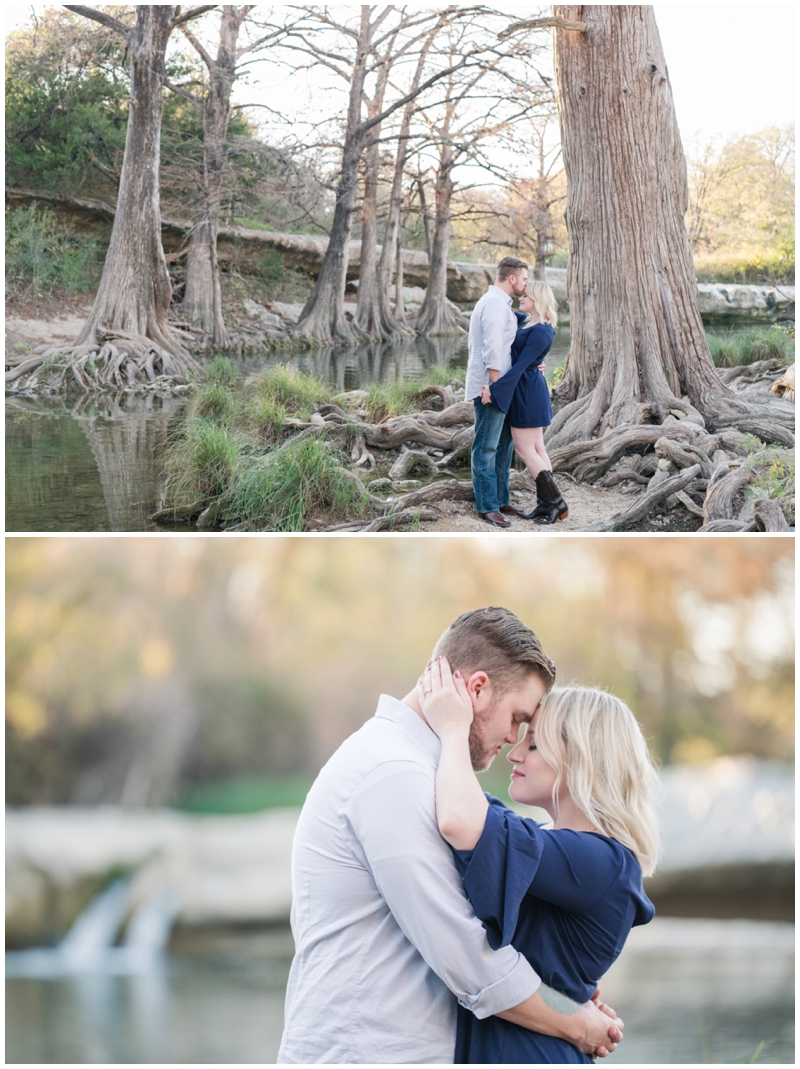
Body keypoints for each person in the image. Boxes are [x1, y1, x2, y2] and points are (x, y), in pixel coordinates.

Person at [277, 608, 624, 1064]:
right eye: (518, 717)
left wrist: (570, 990)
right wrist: (577, 1022)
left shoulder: (422, 772)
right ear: (477, 689)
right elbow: (471, 960)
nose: (513, 740)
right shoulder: (393, 774)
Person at [417, 657, 659, 1064]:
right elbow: (481, 815)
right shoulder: (556, 851)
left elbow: (461, 820)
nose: (514, 753)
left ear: (582, 758)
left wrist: (453, 729)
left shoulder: (599, 862)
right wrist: (576, 1010)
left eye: (533, 743)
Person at [480, 280, 568, 524]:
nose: (521, 297)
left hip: (527, 392)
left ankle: (555, 503)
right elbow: (504, 314)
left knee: (525, 450)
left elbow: (519, 366)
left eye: (526, 295)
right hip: (528, 387)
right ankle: (547, 504)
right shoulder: (527, 321)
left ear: (537, 300)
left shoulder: (541, 331)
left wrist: (494, 388)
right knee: (538, 449)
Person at [465, 257, 529, 528]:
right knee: (487, 446)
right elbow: (491, 347)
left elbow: (507, 346)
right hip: (490, 388)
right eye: (524, 279)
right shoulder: (493, 304)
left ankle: (501, 499)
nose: (526, 284)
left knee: (505, 446)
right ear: (512, 278)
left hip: (501, 386)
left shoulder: (502, 304)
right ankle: (487, 506)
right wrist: (494, 386)